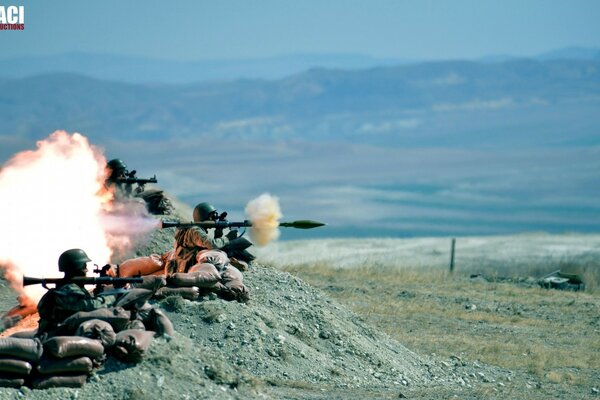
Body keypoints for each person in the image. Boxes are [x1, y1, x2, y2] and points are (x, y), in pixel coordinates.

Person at [36, 249, 118, 337]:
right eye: (84, 266)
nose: (86, 270)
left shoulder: (71, 287)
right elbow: (91, 306)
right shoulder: (69, 289)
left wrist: (100, 289)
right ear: (78, 267)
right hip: (57, 334)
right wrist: (114, 295)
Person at [167, 202, 237, 273]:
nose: (214, 220)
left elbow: (208, 246)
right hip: (189, 269)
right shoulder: (195, 231)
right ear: (206, 217)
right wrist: (228, 238)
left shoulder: (190, 229)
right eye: (212, 217)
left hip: (185, 266)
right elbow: (212, 245)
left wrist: (218, 232)